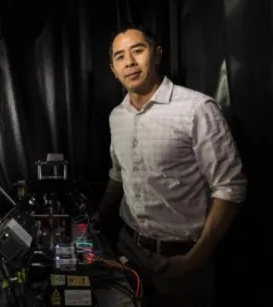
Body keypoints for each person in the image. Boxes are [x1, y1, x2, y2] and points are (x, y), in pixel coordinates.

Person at [96, 25, 247, 307]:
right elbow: (119, 174)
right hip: (128, 250)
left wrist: (194, 260)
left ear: (157, 55)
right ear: (113, 69)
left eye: (137, 50)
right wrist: (98, 216)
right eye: (119, 57)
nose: (129, 61)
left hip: (181, 258)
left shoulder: (196, 108)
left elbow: (230, 187)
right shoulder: (117, 116)